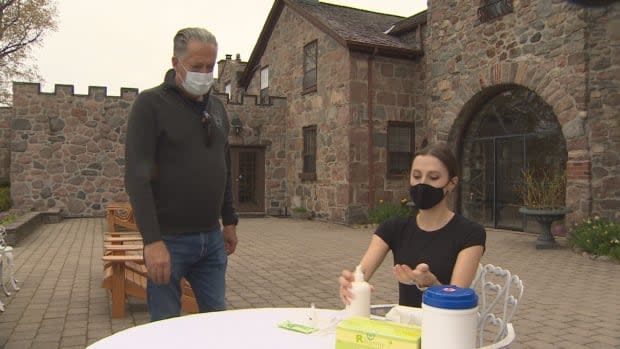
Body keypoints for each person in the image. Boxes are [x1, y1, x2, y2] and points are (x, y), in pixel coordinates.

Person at [125, 27, 239, 321]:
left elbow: (223, 167)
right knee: (166, 329)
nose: (204, 73)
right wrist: (152, 242)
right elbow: (137, 179)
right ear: (176, 63)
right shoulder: (150, 105)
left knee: (218, 323)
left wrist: (229, 221)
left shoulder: (217, 110)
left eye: (210, 67)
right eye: (196, 66)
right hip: (169, 242)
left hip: (211, 241)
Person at [339, 143, 485, 307]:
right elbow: (362, 272)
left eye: (434, 177)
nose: (422, 183)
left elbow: (457, 300)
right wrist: (351, 283)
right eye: (416, 176)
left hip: (447, 328)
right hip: (406, 326)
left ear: (452, 183)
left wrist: (432, 284)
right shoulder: (393, 228)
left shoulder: (470, 233)